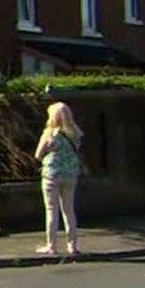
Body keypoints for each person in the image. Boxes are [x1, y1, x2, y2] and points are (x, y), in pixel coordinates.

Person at [34, 102, 83, 256]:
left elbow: (38, 154)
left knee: (51, 210)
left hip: (52, 175)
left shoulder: (49, 133)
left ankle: (52, 246)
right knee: (69, 210)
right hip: (70, 174)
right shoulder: (75, 133)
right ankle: (72, 246)